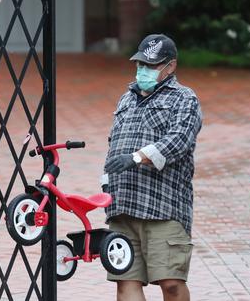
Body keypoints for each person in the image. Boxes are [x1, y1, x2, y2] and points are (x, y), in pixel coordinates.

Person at [103, 34, 203, 301]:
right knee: (126, 282)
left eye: (150, 65)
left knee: (171, 283)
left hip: (163, 205)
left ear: (170, 66)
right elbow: (114, 142)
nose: (142, 70)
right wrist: (106, 183)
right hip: (123, 204)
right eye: (140, 63)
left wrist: (136, 158)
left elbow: (178, 140)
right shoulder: (126, 98)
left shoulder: (184, 99)